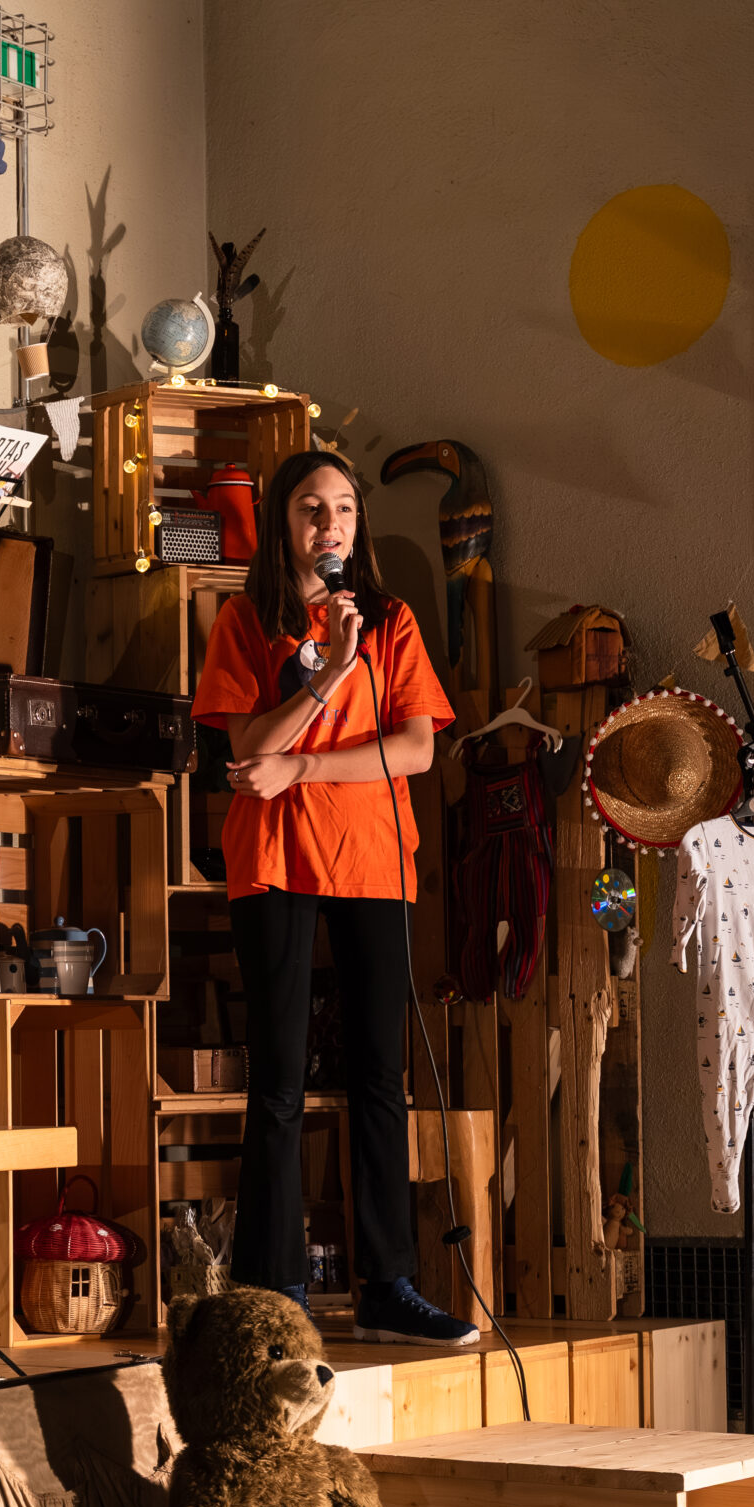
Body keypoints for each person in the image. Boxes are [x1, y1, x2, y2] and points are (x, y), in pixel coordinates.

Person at [191, 448, 478, 1344]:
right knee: (277, 1080)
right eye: (312, 508)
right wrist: (327, 674)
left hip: (371, 858)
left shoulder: (389, 621)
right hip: (275, 859)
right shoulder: (246, 620)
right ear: (282, 523)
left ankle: (388, 1286)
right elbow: (248, 747)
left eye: (345, 508)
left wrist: (305, 766)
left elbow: (416, 749)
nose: (330, 524)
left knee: (378, 1077)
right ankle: (272, 1295)